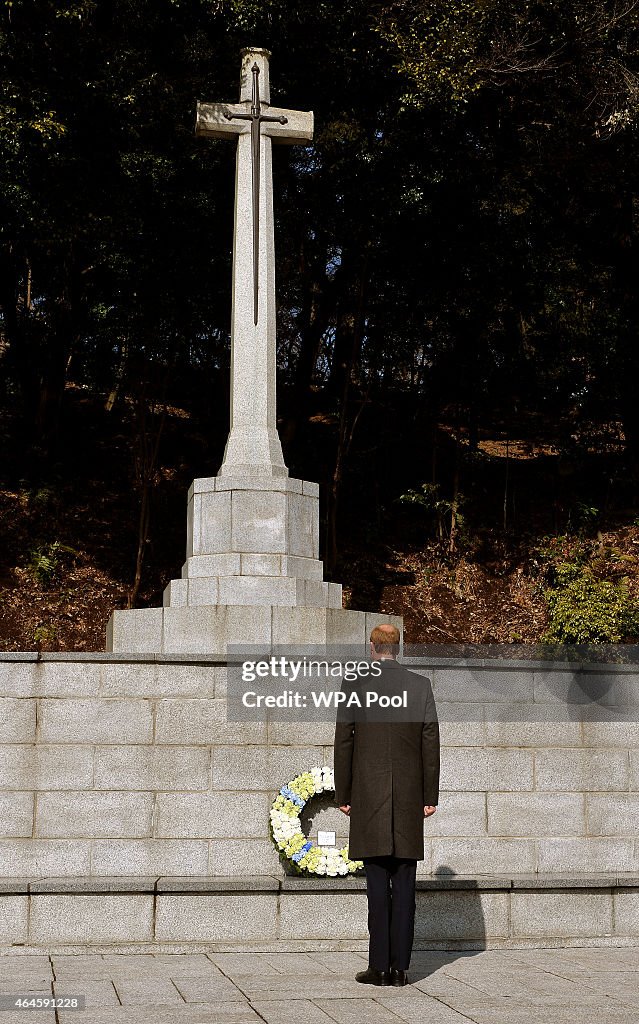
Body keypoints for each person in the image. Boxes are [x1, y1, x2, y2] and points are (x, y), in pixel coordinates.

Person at [333, 624, 440, 987]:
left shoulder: (355, 683)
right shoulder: (420, 685)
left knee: (377, 883)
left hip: (369, 796)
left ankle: (378, 965)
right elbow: (430, 743)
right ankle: (399, 969)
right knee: (405, 884)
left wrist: (343, 794)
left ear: (372, 647)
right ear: (399, 647)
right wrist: (429, 797)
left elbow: (344, 740)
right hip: (410, 798)